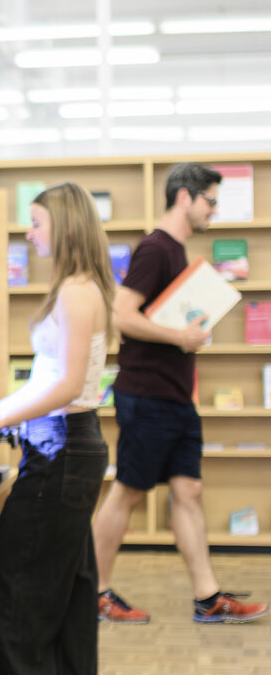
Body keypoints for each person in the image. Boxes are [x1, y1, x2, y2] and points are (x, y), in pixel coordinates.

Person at [0, 183, 113, 675]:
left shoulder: (76, 291)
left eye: (38, 222)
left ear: (65, 226)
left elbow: (68, 383)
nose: (30, 231)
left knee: (12, 573)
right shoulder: (81, 288)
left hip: (62, 448)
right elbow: (54, 379)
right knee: (67, 577)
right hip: (69, 441)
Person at [92, 163, 268, 625]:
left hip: (174, 398)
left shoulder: (176, 251)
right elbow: (122, 316)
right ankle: (94, 591)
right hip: (147, 395)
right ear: (184, 197)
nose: (214, 210)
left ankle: (207, 598)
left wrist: (185, 336)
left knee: (189, 489)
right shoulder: (155, 248)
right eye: (210, 200)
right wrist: (180, 337)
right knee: (127, 493)